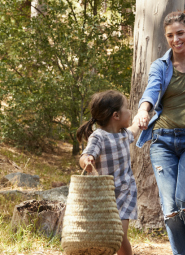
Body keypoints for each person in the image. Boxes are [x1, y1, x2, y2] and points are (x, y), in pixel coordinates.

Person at [133, 11, 185, 255]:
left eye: (180, 33)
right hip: (162, 141)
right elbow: (151, 91)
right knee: (169, 207)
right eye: (170, 35)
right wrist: (143, 111)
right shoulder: (161, 65)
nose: (176, 39)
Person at [77, 90, 141, 255]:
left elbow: (134, 129)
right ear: (116, 115)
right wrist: (88, 161)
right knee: (107, 238)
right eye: (127, 108)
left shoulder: (124, 134)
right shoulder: (99, 137)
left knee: (119, 235)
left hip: (125, 192)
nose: (130, 111)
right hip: (104, 197)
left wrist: (140, 120)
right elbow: (85, 156)